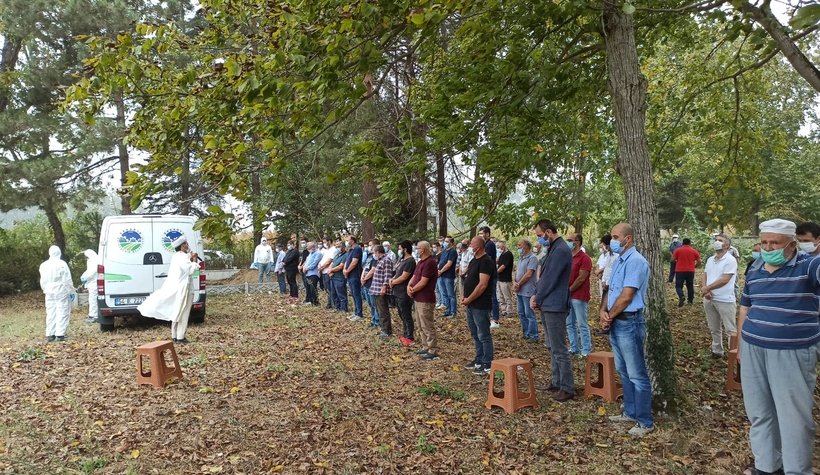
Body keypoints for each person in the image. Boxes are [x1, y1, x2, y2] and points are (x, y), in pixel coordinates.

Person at [738, 219, 819, 475]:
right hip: (753, 347)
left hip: (792, 352)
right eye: (764, 242)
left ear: (793, 244)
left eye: (775, 242)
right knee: (760, 412)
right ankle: (767, 466)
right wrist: (740, 345)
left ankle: (797, 470)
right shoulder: (755, 268)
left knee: (793, 416)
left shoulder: (809, 266)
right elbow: (745, 307)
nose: (768, 247)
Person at [599, 223, 653, 437]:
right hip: (616, 321)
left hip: (629, 322)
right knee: (623, 370)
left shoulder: (636, 262)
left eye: (615, 236)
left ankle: (644, 420)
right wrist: (603, 312)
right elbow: (610, 291)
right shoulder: (618, 260)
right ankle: (629, 412)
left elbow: (627, 295)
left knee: (637, 373)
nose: (612, 240)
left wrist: (609, 316)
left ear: (627, 239)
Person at [531, 219, 574, 402]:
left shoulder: (561, 250)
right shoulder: (553, 248)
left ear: (549, 232)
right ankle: (556, 381)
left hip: (555, 305)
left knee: (559, 348)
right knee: (551, 346)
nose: (539, 239)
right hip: (548, 304)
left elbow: (550, 279)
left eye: (540, 235)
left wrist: (537, 297)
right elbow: (543, 277)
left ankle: (567, 387)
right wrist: (537, 294)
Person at [138, 236, 200, 343]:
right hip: (184, 290)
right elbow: (189, 270)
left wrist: (190, 257)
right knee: (183, 313)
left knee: (177, 311)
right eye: (186, 244)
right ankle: (181, 337)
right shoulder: (183, 257)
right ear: (182, 246)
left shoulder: (176, 256)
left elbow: (184, 265)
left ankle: (174, 335)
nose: (188, 246)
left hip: (177, 289)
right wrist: (194, 260)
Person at [461, 236, 497, 375]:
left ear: (480, 246)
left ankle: (488, 363)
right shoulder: (473, 260)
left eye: (472, 244)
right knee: (475, 333)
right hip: (470, 303)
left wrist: (469, 298)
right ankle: (479, 358)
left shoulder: (486, 261)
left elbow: (482, 285)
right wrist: (465, 297)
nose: (470, 246)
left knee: (483, 334)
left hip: (480, 304)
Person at [701, 233, 738, 358]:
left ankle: (734, 353)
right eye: (716, 240)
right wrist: (705, 291)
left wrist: (708, 288)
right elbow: (705, 274)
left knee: (730, 329)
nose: (717, 242)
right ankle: (717, 351)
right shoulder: (710, 259)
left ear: (727, 245)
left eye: (720, 240)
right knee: (714, 327)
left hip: (725, 299)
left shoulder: (730, 260)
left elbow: (725, 279)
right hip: (709, 298)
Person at [408, 241, 439, 360]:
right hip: (417, 298)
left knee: (427, 325)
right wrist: (409, 286)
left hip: (426, 298)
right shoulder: (420, 262)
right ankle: (425, 346)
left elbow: (423, 281)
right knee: (420, 325)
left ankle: (432, 349)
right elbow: (415, 277)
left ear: (424, 249)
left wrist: (413, 289)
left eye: (418, 248)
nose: (416, 250)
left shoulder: (430, 262)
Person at [39, 245, 74, 342]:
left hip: (49, 291)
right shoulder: (62, 264)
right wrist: (71, 290)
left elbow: (43, 280)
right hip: (60, 290)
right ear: (59, 253)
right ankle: (60, 334)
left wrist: (45, 289)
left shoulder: (44, 265)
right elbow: (66, 279)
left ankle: (50, 334)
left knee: (50, 312)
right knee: (62, 311)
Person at [566, 233, 593, 357]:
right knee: (569, 323)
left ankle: (586, 350)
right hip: (567, 295)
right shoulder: (568, 257)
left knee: (582, 323)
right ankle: (574, 347)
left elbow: (582, 278)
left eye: (570, 240)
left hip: (579, 296)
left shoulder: (584, 258)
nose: (568, 242)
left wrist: (570, 289)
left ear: (577, 242)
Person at [389, 240, 417, 346]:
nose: (399, 250)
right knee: (401, 314)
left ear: (405, 249)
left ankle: (410, 336)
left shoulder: (410, 261)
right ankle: (405, 334)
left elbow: (404, 277)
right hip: (397, 292)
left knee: (406, 315)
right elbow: (397, 273)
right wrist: (392, 279)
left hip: (404, 293)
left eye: (400, 248)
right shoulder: (402, 260)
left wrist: (393, 282)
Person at [514, 239, 539, 342]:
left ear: (526, 246)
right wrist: (515, 283)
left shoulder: (532, 258)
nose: (518, 247)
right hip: (519, 290)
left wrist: (519, 283)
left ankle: (533, 335)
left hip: (528, 290)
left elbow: (529, 274)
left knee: (529, 313)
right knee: (521, 312)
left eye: (520, 245)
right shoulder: (521, 258)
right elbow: (516, 272)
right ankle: (526, 333)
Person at [370, 245, 394, 338]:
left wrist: (384, 287)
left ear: (377, 252)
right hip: (375, 289)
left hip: (381, 290)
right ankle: (383, 328)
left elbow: (387, 275)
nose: (373, 254)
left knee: (383, 311)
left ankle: (386, 331)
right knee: (379, 311)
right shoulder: (379, 260)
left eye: (374, 252)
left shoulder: (386, 260)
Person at [480, 226, 501, 328]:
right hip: (486, 274)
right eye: (479, 234)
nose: (481, 235)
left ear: (487, 234)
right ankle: (488, 317)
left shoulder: (490, 245)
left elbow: (485, 258)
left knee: (493, 297)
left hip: (491, 275)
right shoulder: (485, 244)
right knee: (488, 297)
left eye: (482, 233)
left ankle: (495, 320)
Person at [671, 238, 701, 307]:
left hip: (680, 270)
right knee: (690, 286)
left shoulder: (678, 250)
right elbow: (699, 261)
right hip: (690, 271)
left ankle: (681, 296)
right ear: (690, 243)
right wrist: (694, 266)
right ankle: (690, 301)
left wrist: (677, 262)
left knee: (678, 286)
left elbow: (672, 259)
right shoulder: (694, 251)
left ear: (682, 243)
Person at [344, 236, 364, 321]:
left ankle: (359, 314)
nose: (346, 242)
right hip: (349, 275)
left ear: (352, 240)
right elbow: (347, 261)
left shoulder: (357, 249)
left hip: (355, 275)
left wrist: (347, 271)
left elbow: (354, 262)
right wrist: (345, 269)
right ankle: (355, 312)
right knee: (353, 294)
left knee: (356, 294)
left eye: (347, 240)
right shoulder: (350, 250)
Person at [437, 236, 457, 318]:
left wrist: (441, 271)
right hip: (441, 275)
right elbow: (440, 262)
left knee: (451, 295)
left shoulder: (453, 251)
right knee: (444, 294)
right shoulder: (444, 251)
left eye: (447, 241)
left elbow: (449, 264)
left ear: (451, 243)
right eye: (445, 241)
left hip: (448, 276)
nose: (445, 243)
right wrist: (438, 270)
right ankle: (447, 310)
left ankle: (453, 312)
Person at [80, 249, 99, 324]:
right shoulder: (94, 259)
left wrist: (84, 277)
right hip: (93, 283)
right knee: (92, 300)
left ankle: (93, 316)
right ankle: (93, 315)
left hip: (94, 283)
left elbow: (91, 272)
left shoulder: (94, 261)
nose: (86, 258)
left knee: (93, 300)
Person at [496, 241, 514, 318]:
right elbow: (498, 262)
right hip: (499, 279)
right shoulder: (502, 254)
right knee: (500, 296)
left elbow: (503, 266)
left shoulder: (508, 254)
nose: (498, 248)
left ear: (503, 246)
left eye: (499, 247)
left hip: (506, 279)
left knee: (507, 296)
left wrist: (495, 272)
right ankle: (503, 310)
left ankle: (509, 311)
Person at [328, 240, 348, 312]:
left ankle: (343, 309)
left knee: (341, 294)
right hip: (333, 277)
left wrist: (331, 270)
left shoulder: (346, 255)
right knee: (334, 293)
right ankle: (337, 307)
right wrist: (330, 270)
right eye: (336, 246)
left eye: (339, 246)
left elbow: (341, 266)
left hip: (339, 277)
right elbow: (332, 263)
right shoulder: (337, 255)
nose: (337, 247)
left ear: (343, 246)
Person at [302, 242, 322, 306]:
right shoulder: (310, 254)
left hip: (313, 273)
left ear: (313, 247)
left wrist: (307, 268)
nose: (308, 249)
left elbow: (314, 263)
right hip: (307, 273)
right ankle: (309, 300)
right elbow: (307, 261)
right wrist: (304, 267)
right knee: (308, 288)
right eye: (308, 248)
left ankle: (315, 302)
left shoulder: (318, 253)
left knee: (313, 288)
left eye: (309, 248)